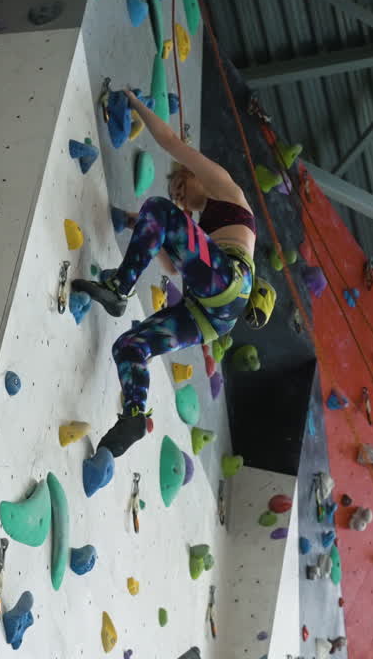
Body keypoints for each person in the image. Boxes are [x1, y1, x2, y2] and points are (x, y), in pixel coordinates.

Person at [73, 89, 276, 485]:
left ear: (193, 175)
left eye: (181, 189)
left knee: (159, 212)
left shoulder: (227, 192)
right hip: (210, 317)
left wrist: (133, 101)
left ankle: (119, 287)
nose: (182, 200)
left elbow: (169, 142)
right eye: (178, 198)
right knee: (130, 347)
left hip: (231, 283)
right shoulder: (202, 235)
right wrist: (136, 223)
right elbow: (168, 263)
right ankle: (134, 416)